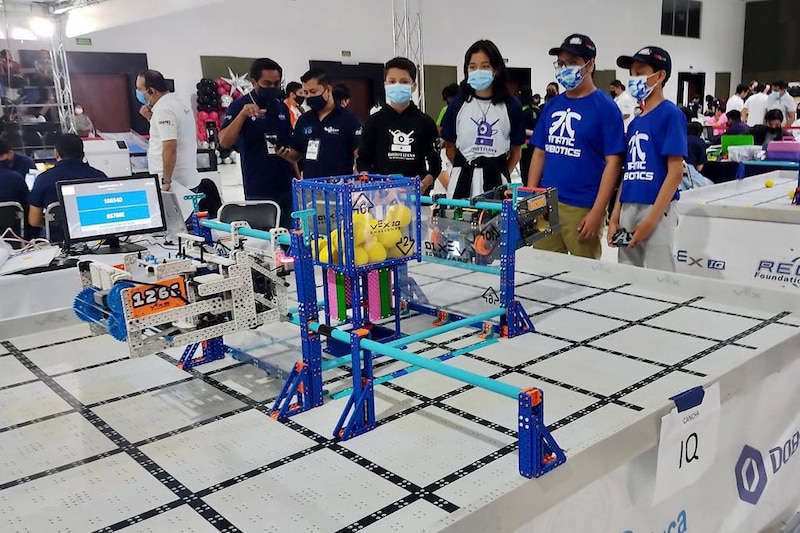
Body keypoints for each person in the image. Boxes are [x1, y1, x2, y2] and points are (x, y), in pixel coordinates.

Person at [527, 34, 625, 259]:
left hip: (583, 207)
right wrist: (532, 197)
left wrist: (598, 211)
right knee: (543, 270)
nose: (564, 68)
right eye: (561, 63)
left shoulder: (606, 109)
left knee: (583, 278)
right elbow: (540, 152)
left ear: (590, 65)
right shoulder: (552, 106)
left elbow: (614, 163)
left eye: (572, 63)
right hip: (546, 204)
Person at [609, 46, 685, 272]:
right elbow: (629, 171)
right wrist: (615, 216)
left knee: (659, 273)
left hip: (656, 206)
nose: (634, 79)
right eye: (631, 74)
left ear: (660, 75)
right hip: (629, 205)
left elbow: (675, 172)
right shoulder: (634, 122)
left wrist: (652, 220)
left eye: (640, 73)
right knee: (628, 272)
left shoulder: (671, 114)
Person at [440, 39, 525, 199]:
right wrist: (464, 166)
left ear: (496, 69)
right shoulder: (457, 104)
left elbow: (516, 151)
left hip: (497, 181)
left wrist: (500, 171)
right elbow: (449, 146)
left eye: (485, 66)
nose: (478, 71)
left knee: (495, 223)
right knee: (458, 222)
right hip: (461, 180)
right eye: (473, 67)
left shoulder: (511, 105)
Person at [220, 58, 295, 230]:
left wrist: (297, 176)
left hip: (285, 185)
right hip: (258, 186)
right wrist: (243, 116)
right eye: (267, 83)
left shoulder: (281, 107)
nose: (272, 88)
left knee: (288, 237)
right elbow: (224, 141)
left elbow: (289, 145)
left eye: (276, 83)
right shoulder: (240, 106)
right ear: (254, 82)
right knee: (263, 240)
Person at [357, 57, 441, 195]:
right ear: (385, 84)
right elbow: (362, 160)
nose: (398, 85)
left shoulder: (425, 122)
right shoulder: (374, 121)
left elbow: (435, 164)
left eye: (404, 82)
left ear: (413, 86)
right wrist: (375, 184)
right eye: (392, 81)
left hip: (415, 196)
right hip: (381, 196)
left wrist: (424, 184)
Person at [279, 68, 362, 178]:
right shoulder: (304, 120)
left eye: (313, 92)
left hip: (339, 187)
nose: (309, 96)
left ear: (328, 89)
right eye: (306, 93)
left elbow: (360, 154)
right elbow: (296, 155)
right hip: (310, 187)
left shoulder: (349, 119)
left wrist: (359, 177)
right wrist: (282, 151)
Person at [28, 134, 107, 229]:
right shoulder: (99, 176)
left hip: (59, 238)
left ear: (56, 154)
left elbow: (34, 220)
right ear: (82, 154)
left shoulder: (43, 179)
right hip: (96, 235)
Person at [517, 87, 540, 182]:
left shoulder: (521, 111)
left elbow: (519, 128)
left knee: (526, 172)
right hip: (537, 146)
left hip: (525, 146)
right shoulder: (537, 109)